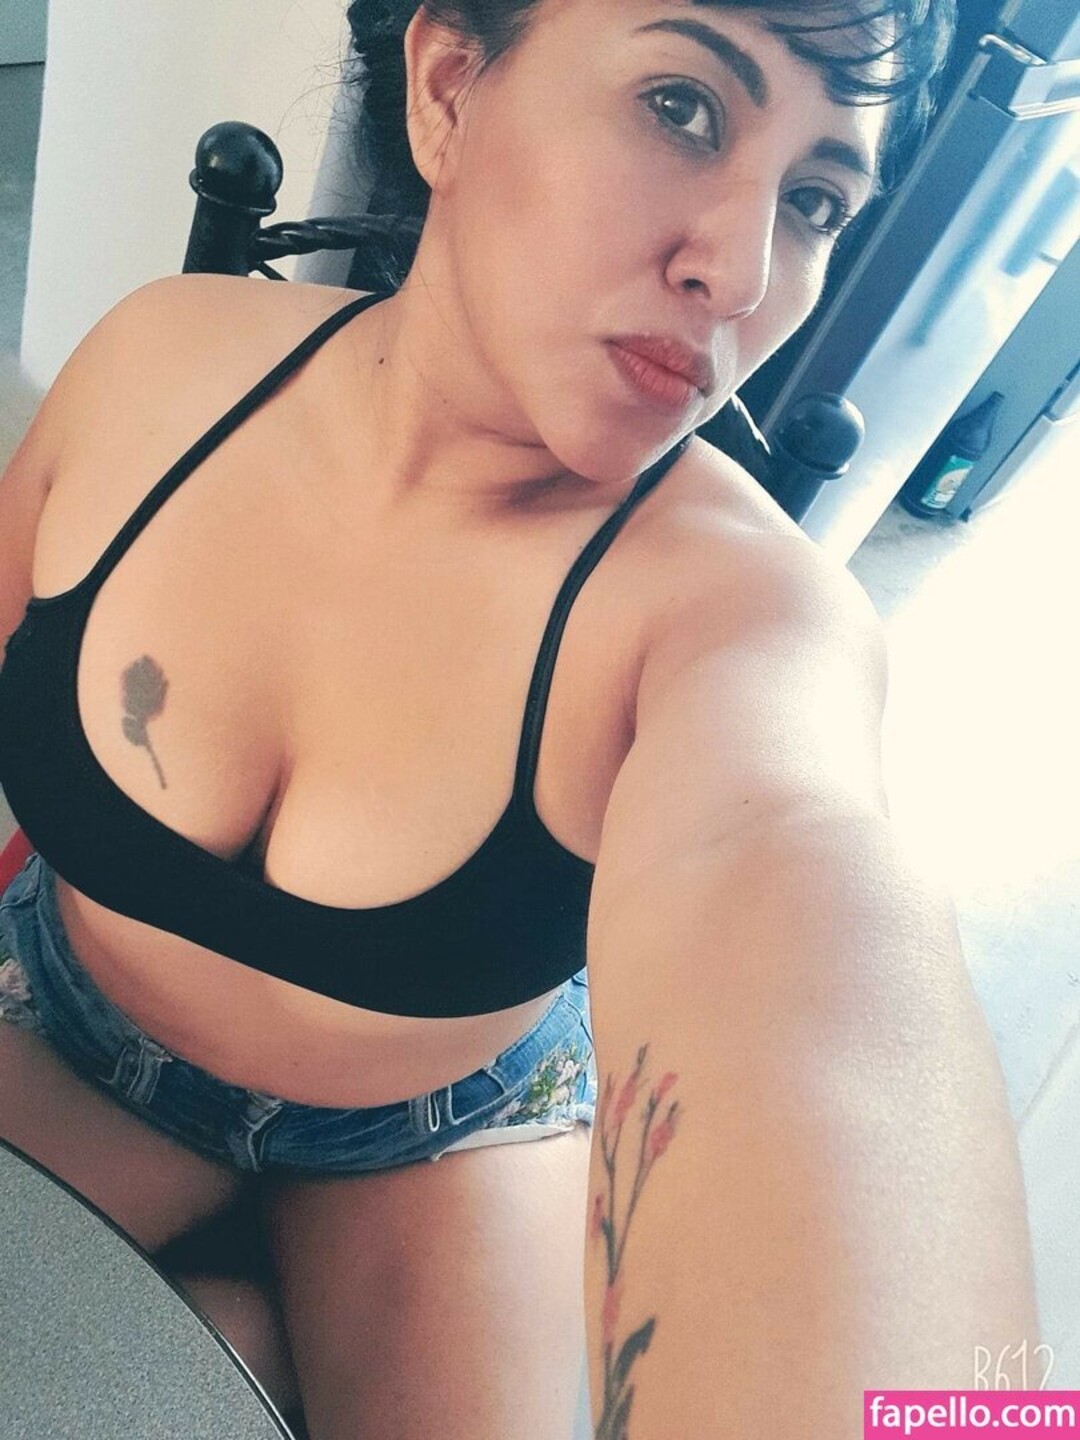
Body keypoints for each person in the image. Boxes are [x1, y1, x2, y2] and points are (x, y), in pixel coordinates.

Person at [0, 0, 1039, 1437]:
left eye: (814, 202)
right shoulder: (154, 368)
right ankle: (236, 1338)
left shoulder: (745, 621)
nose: (742, 272)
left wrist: (959, 1408)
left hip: (438, 1145)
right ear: (449, 87)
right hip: (69, 1033)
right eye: (683, 108)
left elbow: (816, 954)